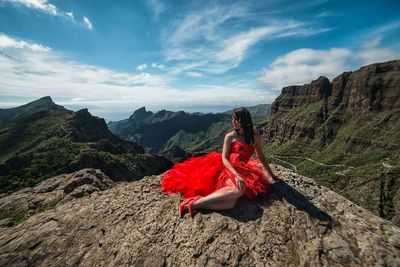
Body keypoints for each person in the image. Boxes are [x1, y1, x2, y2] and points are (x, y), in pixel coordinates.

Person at [161, 107, 278, 217]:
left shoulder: (255, 138)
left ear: (244, 120)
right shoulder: (230, 136)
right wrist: (236, 175)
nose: (233, 122)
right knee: (238, 190)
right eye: (233, 119)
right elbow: (224, 158)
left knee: (230, 204)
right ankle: (198, 202)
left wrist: (272, 175)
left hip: (243, 169)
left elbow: (261, 157)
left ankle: (197, 203)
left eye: (236, 119)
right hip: (226, 167)